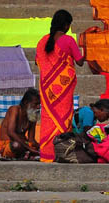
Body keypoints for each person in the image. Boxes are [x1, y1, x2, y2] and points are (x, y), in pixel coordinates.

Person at [35, 9, 85, 162]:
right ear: (65, 25)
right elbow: (80, 61)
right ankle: (61, 152)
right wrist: (87, 52)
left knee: (48, 117)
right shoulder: (68, 40)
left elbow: (38, 62)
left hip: (47, 88)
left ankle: (46, 154)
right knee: (63, 118)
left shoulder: (43, 41)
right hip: (63, 89)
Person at [0, 88, 40, 161]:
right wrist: (30, 149)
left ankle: (25, 154)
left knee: (39, 147)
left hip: (24, 144)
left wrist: (42, 148)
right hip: (10, 144)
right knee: (16, 145)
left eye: (39, 104)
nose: (38, 107)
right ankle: (26, 154)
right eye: (36, 104)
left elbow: (31, 140)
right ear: (27, 103)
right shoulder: (14, 110)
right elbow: (11, 132)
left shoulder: (33, 115)